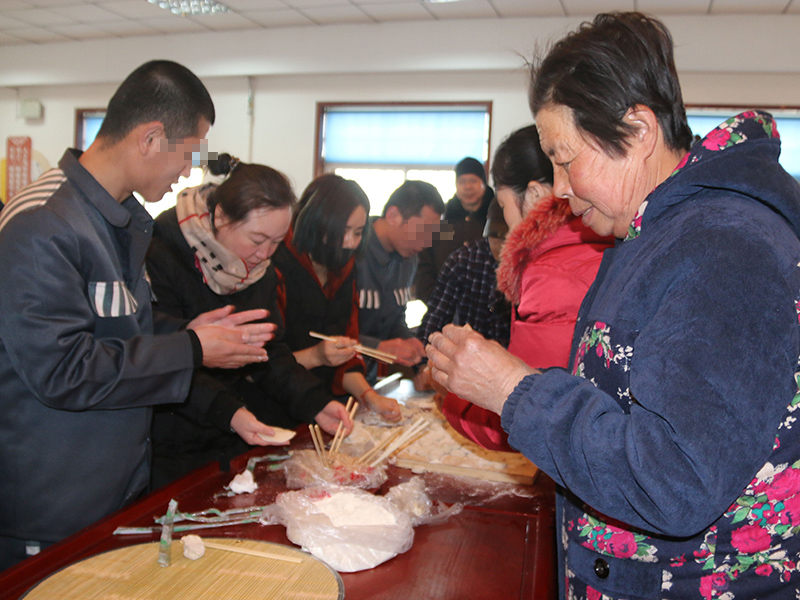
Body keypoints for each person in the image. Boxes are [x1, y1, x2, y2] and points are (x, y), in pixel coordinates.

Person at [427, 12, 800, 599]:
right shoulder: (656, 229)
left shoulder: (724, 246)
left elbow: (677, 478)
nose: (561, 187)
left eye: (564, 157)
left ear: (639, 130)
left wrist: (512, 390)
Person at [0, 60, 275, 571]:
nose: (187, 173)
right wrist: (190, 350)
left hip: (114, 488)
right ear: (150, 138)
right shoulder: (44, 223)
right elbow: (63, 369)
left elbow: (127, 330)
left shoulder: (117, 220)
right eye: (187, 155)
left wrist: (189, 334)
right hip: (51, 503)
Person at [145, 155, 353, 488]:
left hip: (231, 434)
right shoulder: (160, 254)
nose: (265, 254)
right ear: (221, 216)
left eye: (276, 242)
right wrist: (228, 412)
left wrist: (315, 403)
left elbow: (269, 353)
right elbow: (163, 357)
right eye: (257, 240)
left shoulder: (259, 273)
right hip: (171, 440)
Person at [437, 125, 612, 452]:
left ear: (532, 195)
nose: (505, 220)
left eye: (502, 203)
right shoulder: (605, 240)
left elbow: (526, 413)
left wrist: (452, 396)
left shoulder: (548, 274)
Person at [273, 174, 401, 422]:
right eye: (341, 231)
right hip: (273, 412)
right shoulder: (277, 263)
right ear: (314, 223)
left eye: (358, 232)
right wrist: (316, 356)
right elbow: (261, 364)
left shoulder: (344, 267)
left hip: (324, 409)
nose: (350, 243)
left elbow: (346, 353)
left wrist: (369, 397)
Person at [357, 180, 444, 378]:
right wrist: (379, 347)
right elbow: (329, 331)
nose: (426, 243)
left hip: (367, 377)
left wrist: (407, 340)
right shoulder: (353, 249)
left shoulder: (409, 259)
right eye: (423, 232)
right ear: (393, 216)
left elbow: (394, 317)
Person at [415, 197, 510, 349]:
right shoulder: (464, 260)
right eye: (494, 237)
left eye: (506, 238)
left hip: (517, 362)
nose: (500, 246)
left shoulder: (534, 265)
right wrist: (423, 360)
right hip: (469, 357)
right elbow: (437, 315)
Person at [414, 157, 494, 305]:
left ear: (484, 182)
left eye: (473, 181)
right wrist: (432, 297)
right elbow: (424, 261)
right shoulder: (444, 220)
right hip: (442, 305)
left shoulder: (494, 218)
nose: (467, 187)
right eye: (462, 182)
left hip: (485, 306)